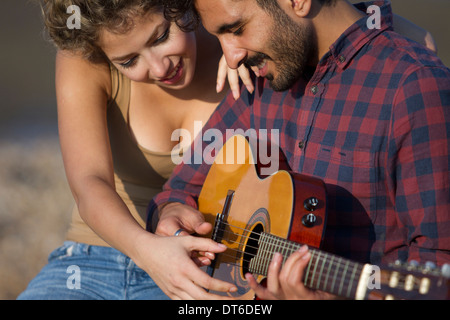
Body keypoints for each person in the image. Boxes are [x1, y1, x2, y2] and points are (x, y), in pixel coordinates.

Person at [150, 0, 450, 300]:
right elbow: (176, 191)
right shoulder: (258, 81)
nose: (230, 58)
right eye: (220, 37)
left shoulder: (415, 86)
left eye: (237, 29)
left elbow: (439, 271)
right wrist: (173, 215)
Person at [18, 0, 257, 300]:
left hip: (203, 268)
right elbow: (90, 184)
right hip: (91, 261)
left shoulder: (244, 42)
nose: (159, 68)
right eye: (129, 61)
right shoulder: (84, 55)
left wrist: (248, 44)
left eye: (160, 38)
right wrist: (149, 252)